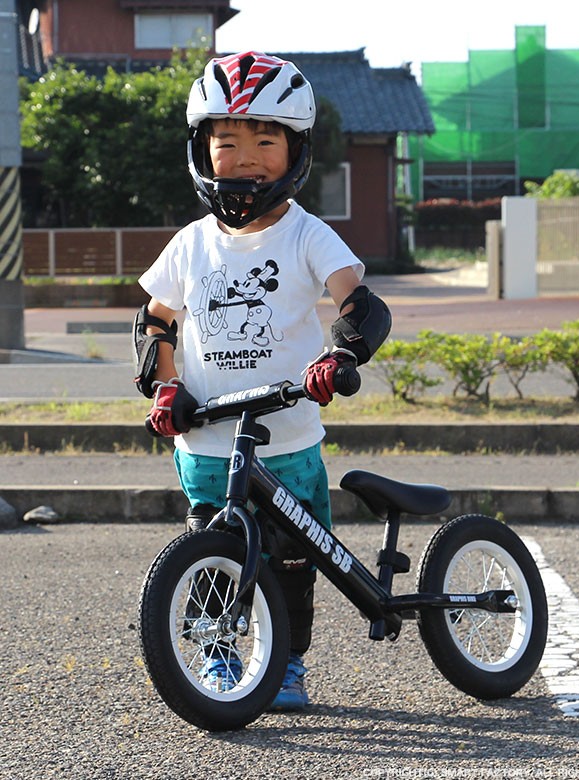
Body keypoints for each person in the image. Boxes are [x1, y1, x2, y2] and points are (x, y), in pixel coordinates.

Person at [133, 51, 391, 711]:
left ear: (297, 149)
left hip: (290, 435)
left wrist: (342, 354)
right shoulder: (191, 243)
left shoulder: (309, 236)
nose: (246, 155)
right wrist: (167, 388)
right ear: (202, 149)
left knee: (293, 560)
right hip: (207, 438)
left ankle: (289, 666)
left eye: (265, 139)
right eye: (227, 141)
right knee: (211, 551)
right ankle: (219, 660)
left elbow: (356, 302)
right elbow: (156, 321)